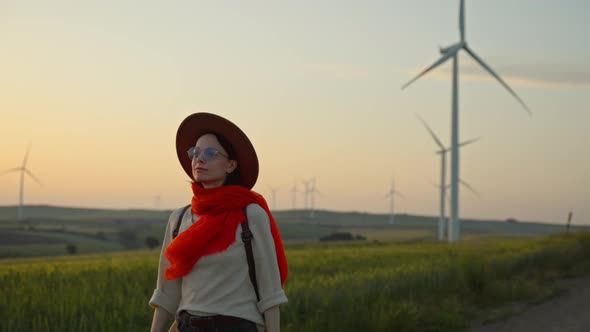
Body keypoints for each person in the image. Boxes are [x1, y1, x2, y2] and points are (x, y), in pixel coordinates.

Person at [149, 113, 288, 332]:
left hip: (237, 326)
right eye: (195, 152)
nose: (199, 158)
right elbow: (167, 294)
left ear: (231, 165)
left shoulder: (251, 215)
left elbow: (270, 294)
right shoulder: (179, 220)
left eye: (210, 153)